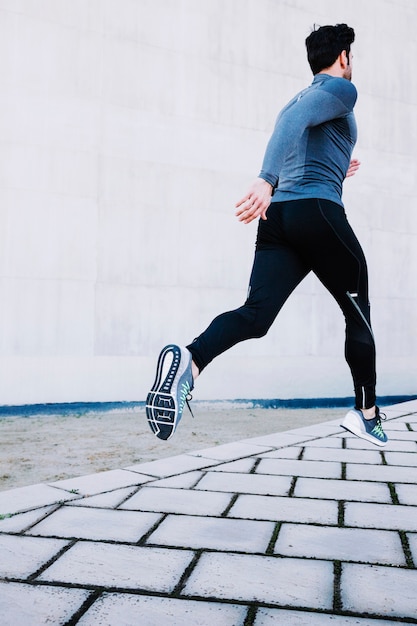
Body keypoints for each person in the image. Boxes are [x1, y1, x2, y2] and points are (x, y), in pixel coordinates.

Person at [145, 23, 388, 447]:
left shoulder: (297, 99)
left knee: (256, 315)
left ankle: (192, 360)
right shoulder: (341, 90)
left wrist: (334, 167)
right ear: (344, 58)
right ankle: (366, 413)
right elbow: (296, 125)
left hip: (280, 221)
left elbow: (296, 134)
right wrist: (265, 179)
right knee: (358, 311)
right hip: (316, 213)